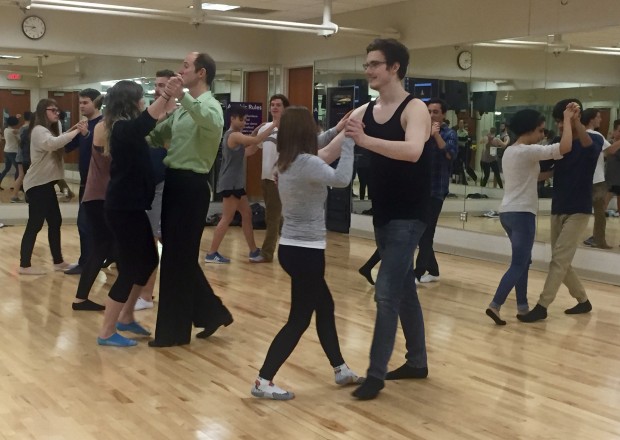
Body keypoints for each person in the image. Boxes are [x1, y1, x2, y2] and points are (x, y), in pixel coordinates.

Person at [250, 106, 362, 400]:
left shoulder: (287, 160)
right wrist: (349, 142)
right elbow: (341, 179)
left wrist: (337, 130)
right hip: (306, 252)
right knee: (299, 319)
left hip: (294, 248)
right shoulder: (308, 163)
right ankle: (264, 379)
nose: (316, 131)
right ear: (304, 132)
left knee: (325, 307)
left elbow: (319, 141)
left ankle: (340, 368)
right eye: (312, 127)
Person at [344, 38, 432, 400]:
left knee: (385, 294)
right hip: (383, 214)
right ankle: (417, 362)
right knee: (404, 289)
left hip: (410, 215)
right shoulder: (366, 110)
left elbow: (413, 151)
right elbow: (335, 143)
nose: (368, 70)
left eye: (375, 64)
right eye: (367, 65)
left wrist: (365, 141)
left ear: (394, 67)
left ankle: (375, 375)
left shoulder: (416, 110)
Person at [148, 52, 233, 347]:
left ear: (201, 73)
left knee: (175, 260)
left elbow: (207, 121)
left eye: (185, 66)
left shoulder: (210, 107)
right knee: (177, 256)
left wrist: (181, 97)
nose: (180, 69)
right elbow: (157, 136)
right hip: (174, 183)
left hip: (192, 186)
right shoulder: (183, 109)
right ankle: (212, 312)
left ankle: (173, 333)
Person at [97, 78, 181, 346]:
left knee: (147, 261)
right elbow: (145, 121)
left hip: (131, 206)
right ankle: (107, 331)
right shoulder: (122, 128)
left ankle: (126, 316)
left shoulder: (126, 129)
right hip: (123, 209)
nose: (144, 100)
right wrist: (166, 94)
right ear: (131, 102)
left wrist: (167, 104)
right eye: (141, 97)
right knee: (131, 267)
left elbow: (150, 121)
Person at [485, 105, 578, 325]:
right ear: (529, 130)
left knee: (524, 261)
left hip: (507, 213)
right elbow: (564, 147)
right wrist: (566, 117)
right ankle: (495, 305)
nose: (543, 135)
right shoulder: (528, 151)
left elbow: (535, 177)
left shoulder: (511, 151)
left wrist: (557, 172)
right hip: (521, 215)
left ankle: (523, 307)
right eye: (541, 131)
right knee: (519, 263)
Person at [518, 98, 603, 323]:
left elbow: (589, 150)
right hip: (558, 207)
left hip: (579, 209)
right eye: (558, 121)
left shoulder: (592, 139)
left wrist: (574, 121)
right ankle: (583, 300)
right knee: (560, 261)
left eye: (561, 121)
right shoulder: (558, 142)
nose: (560, 125)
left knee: (558, 260)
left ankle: (543, 305)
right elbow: (543, 170)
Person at [18, 100, 87, 275]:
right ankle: (24, 265)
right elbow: (52, 144)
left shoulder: (48, 130)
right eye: (53, 110)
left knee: (55, 221)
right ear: (43, 111)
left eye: (58, 110)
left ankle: (58, 261)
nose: (57, 113)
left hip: (46, 184)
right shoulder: (39, 130)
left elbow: (58, 141)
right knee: (35, 224)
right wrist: (78, 130)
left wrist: (73, 129)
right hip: (37, 184)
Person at [205, 105, 276, 263]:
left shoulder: (236, 137)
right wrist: (273, 125)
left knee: (247, 214)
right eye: (242, 119)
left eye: (245, 120)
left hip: (236, 184)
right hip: (230, 183)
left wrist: (257, 132)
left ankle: (253, 251)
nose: (244, 122)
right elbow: (256, 140)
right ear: (232, 119)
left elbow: (250, 150)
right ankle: (211, 253)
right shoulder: (233, 135)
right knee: (227, 218)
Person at [135, 68, 176, 311]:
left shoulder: (179, 115)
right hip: (147, 183)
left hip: (164, 183)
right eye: (157, 85)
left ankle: (147, 296)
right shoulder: (148, 115)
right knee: (150, 238)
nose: (160, 89)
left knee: (152, 239)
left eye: (164, 85)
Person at [414, 98, 457, 284]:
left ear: (443, 114)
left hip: (436, 190)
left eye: (435, 112)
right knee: (420, 232)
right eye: (429, 111)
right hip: (419, 189)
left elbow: (450, 154)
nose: (431, 115)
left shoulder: (449, 133)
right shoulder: (420, 132)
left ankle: (417, 272)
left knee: (426, 231)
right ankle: (433, 270)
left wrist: (436, 135)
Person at [64, 88, 104, 275]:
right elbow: (67, 146)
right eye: (80, 102)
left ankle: (87, 262)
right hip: (85, 181)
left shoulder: (103, 124)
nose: (81, 106)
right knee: (89, 224)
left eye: (85, 102)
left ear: (96, 102)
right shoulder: (84, 124)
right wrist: (71, 132)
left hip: (97, 183)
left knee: (86, 223)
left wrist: (87, 135)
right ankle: (97, 258)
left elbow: (100, 150)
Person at [256, 94, 290, 263]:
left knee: (272, 217)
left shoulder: (289, 130)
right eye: (272, 105)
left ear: (285, 108)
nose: (275, 107)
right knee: (274, 215)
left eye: (278, 105)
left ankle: (267, 253)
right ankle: (292, 242)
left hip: (279, 179)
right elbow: (256, 145)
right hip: (265, 178)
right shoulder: (265, 128)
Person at [580, 108, 612, 249]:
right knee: (600, 213)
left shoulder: (580, 135)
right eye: (598, 117)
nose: (601, 119)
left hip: (583, 179)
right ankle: (599, 240)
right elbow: (610, 151)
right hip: (597, 180)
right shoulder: (595, 135)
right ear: (591, 119)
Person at [604, 119, 620, 233]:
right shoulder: (608, 144)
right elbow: (609, 152)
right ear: (614, 131)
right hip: (609, 182)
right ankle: (597, 236)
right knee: (601, 209)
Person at [0, 116, 20, 190]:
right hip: (13, 152)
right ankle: (16, 185)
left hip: (6, 151)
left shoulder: (6, 130)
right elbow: (20, 139)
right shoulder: (13, 131)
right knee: (18, 169)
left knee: (6, 169)